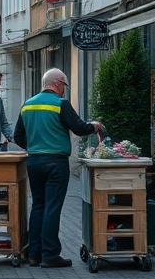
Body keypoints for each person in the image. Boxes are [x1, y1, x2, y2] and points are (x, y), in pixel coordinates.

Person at [13, 68, 102, 268]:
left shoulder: (27, 105)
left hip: (34, 161)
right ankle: (50, 254)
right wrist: (94, 126)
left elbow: (18, 136)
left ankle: (34, 254)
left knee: (38, 205)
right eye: (64, 86)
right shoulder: (60, 104)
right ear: (59, 83)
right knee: (52, 207)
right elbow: (79, 127)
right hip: (55, 163)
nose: (64, 90)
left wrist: (35, 145)